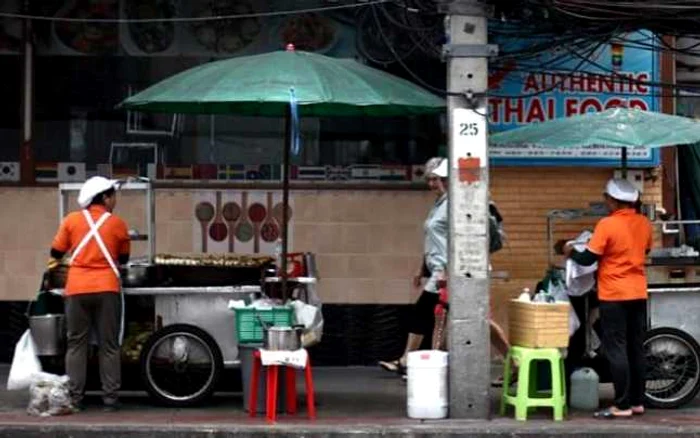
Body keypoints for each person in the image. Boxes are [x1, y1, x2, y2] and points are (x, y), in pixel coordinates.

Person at [564, 178, 652, 419]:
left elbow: (587, 259)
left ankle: (622, 405)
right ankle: (637, 402)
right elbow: (645, 250)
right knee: (636, 348)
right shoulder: (644, 223)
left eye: (607, 198)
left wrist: (571, 250)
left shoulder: (607, 224)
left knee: (617, 349)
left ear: (614, 201)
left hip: (614, 294)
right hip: (637, 292)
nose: (605, 202)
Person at [48, 176, 130, 412]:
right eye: (113, 196)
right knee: (109, 345)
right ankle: (110, 399)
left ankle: (75, 398)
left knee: (76, 344)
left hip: (76, 289)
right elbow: (123, 259)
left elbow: (56, 251)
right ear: (104, 197)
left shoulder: (71, 220)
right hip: (106, 288)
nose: (115, 200)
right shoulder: (118, 224)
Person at [379, 157, 448, 378]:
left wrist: (445, 269)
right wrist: (422, 268)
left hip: (446, 273)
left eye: (435, 180)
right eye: (429, 180)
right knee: (431, 317)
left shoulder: (453, 206)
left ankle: (410, 360)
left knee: (423, 314)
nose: (431, 185)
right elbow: (434, 241)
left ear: (446, 178)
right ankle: (414, 361)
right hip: (437, 270)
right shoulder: (438, 204)